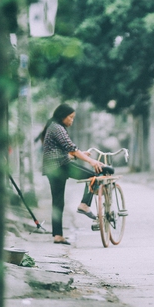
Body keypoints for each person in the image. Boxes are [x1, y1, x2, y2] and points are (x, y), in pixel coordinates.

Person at [38, 104, 109, 245]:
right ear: (62, 116)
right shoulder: (57, 128)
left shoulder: (53, 126)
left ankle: (57, 235)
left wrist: (81, 154)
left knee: (58, 201)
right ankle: (84, 204)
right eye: (70, 117)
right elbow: (70, 148)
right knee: (94, 176)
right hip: (60, 166)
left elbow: (66, 151)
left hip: (52, 167)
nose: (72, 121)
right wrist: (91, 161)